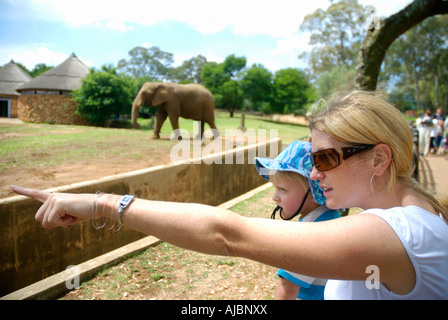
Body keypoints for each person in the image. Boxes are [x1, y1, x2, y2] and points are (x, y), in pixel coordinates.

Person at [12, 91, 448, 299]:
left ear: (378, 159)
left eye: (328, 159)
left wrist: (104, 203)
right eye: (314, 158)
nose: (315, 172)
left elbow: (227, 233)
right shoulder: (417, 215)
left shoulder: (396, 233)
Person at [254, 140, 340, 300]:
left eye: (283, 189)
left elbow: (287, 289)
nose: (274, 197)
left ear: (314, 192)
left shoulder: (310, 234)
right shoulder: (328, 218)